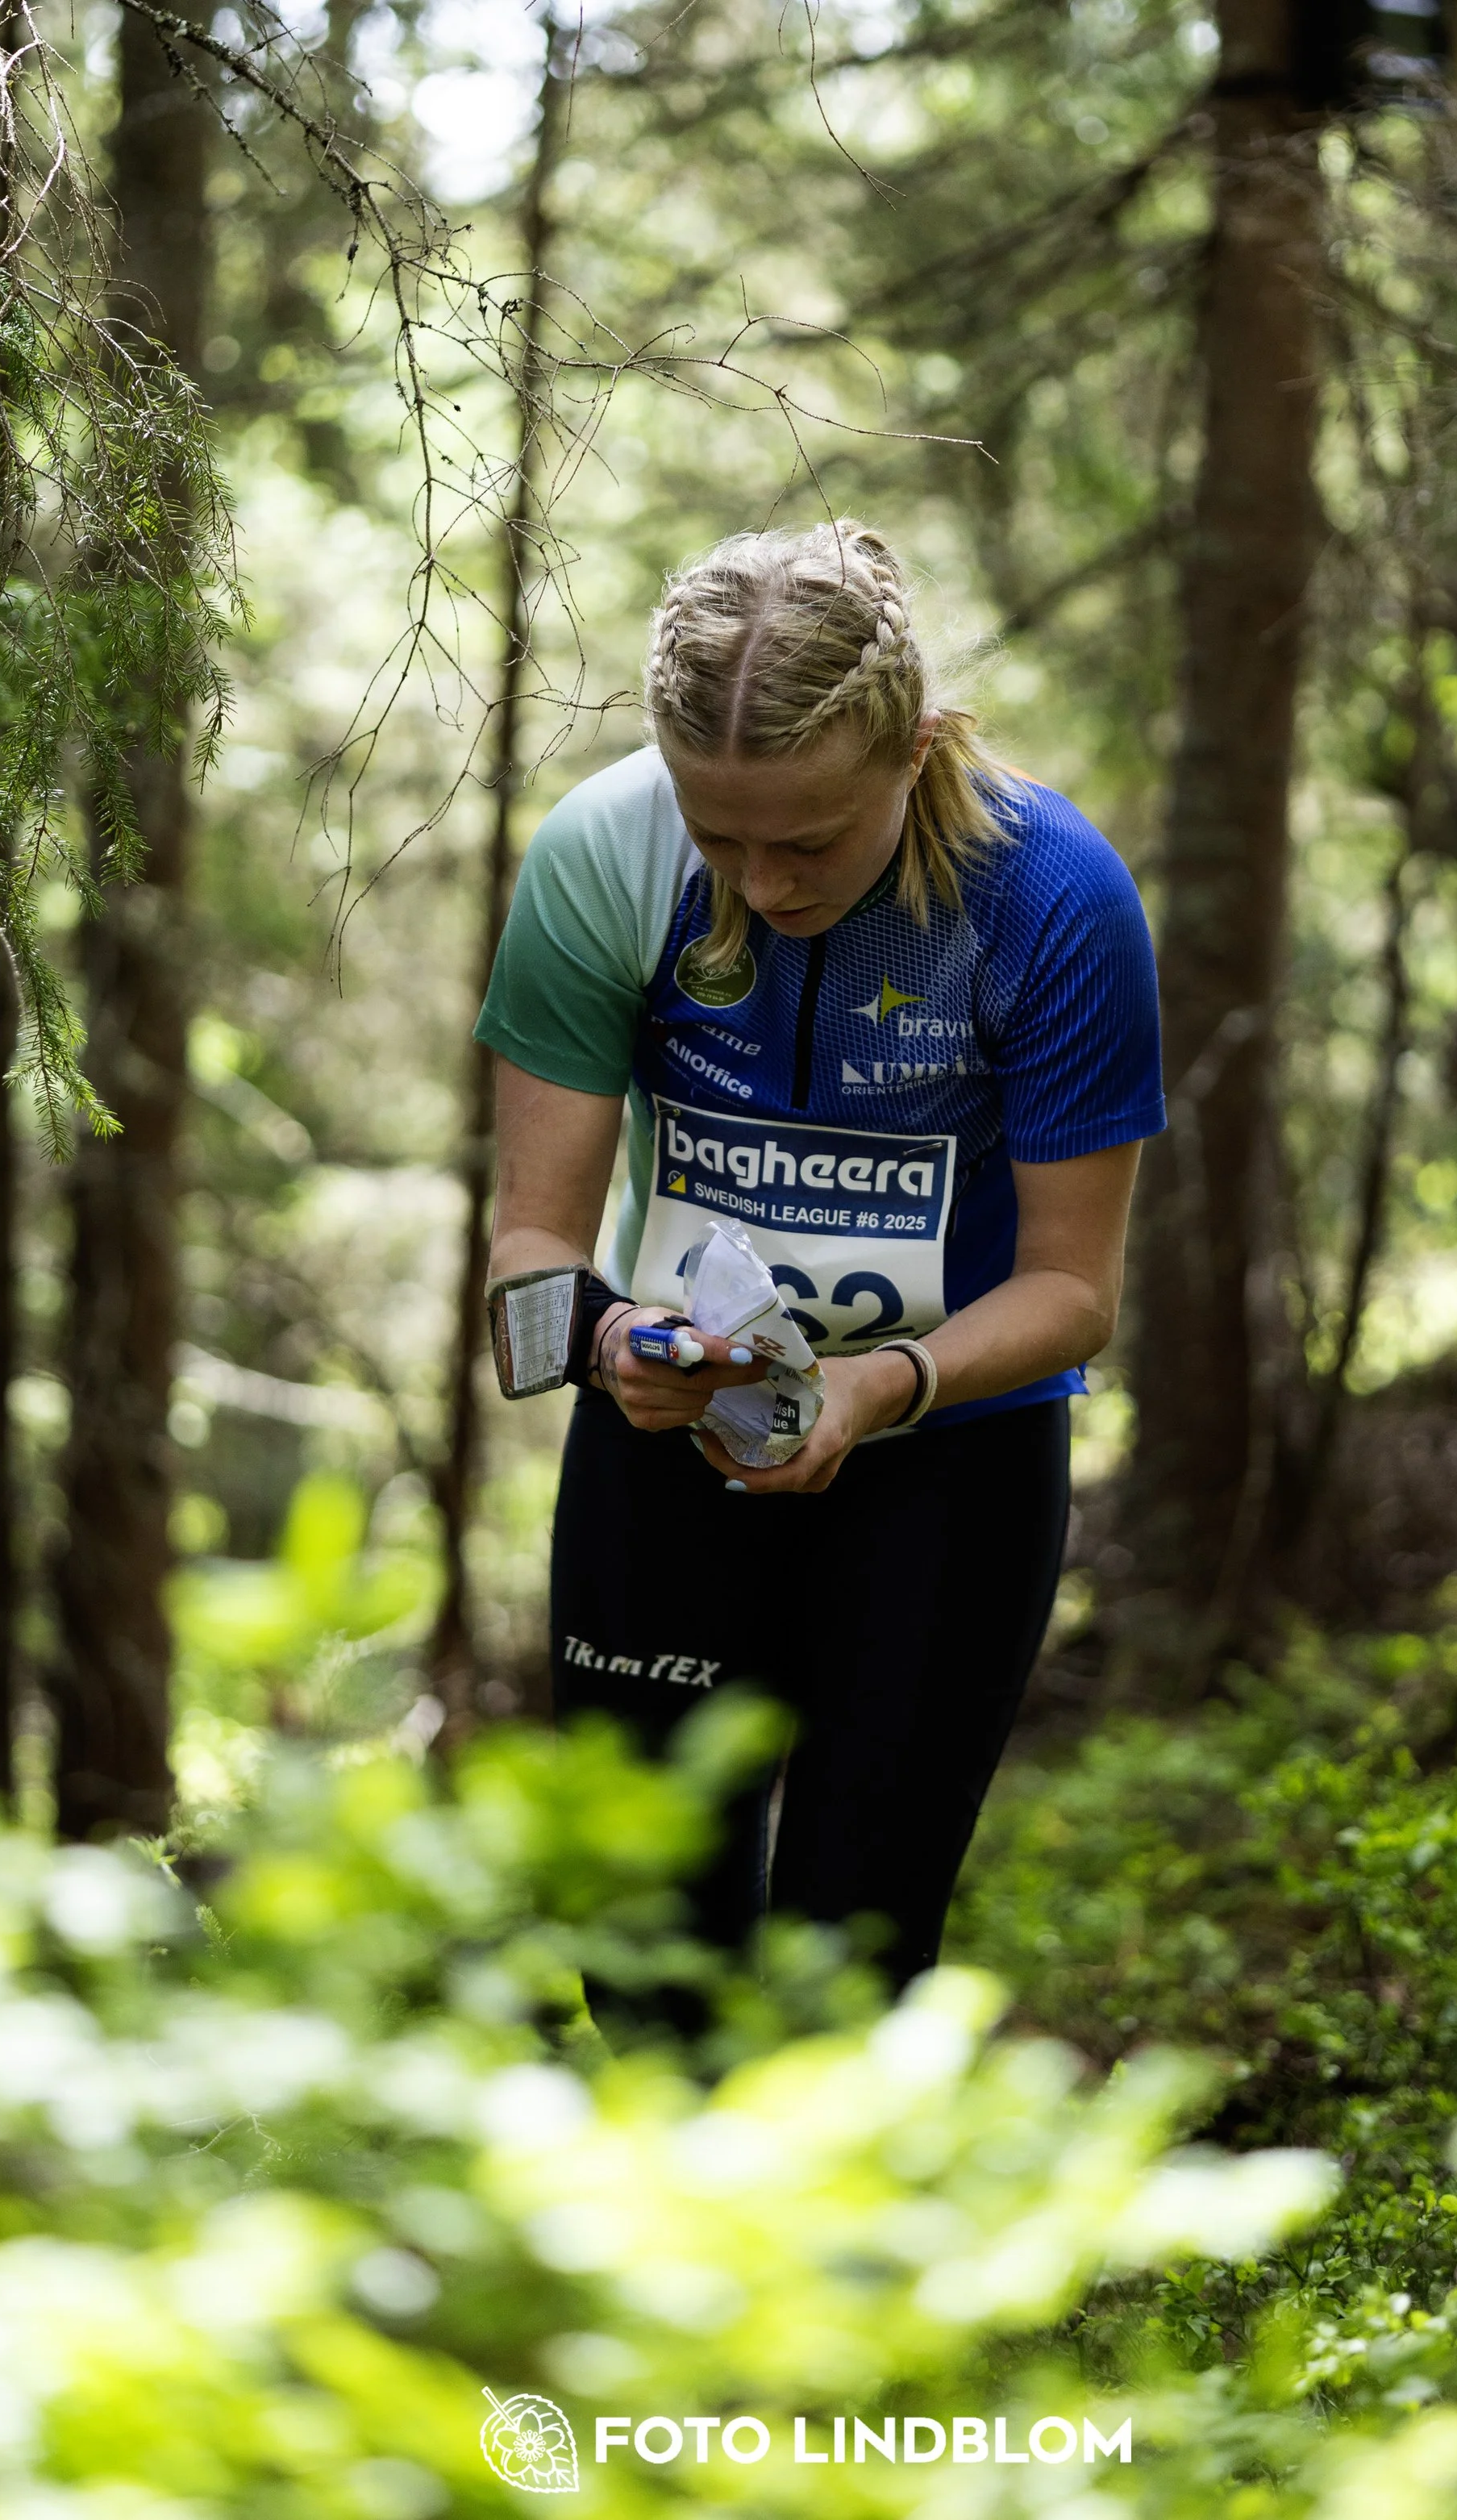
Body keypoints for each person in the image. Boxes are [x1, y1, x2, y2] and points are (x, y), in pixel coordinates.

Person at [477, 519, 1164, 2023]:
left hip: (950, 1459)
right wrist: (605, 1349)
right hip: (665, 1442)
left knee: (850, 1969)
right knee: (649, 1969)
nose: (760, 880)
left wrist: (880, 1384)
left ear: (914, 751)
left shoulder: (1051, 901)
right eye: (718, 834)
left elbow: (1075, 1291)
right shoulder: (605, 853)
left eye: (808, 838)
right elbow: (527, 1254)